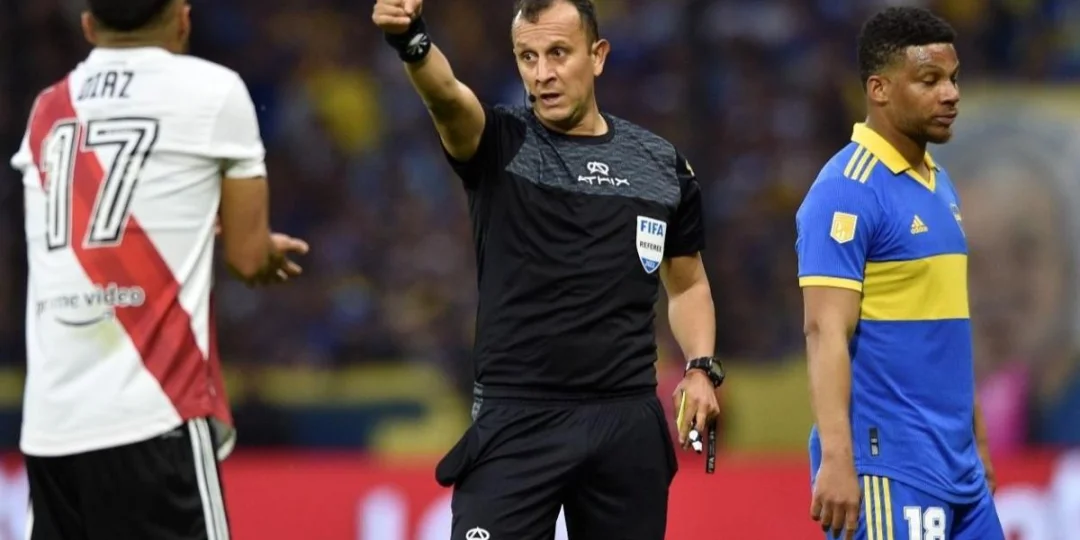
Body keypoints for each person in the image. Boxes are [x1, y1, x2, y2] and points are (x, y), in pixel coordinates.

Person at [372, 0, 721, 538]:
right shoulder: (498, 142)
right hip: (518, 419)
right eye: (527, 57)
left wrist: (699, 367)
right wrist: (412, 40)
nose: (542, 73)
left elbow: (688, 283)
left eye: (558, 53)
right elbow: (446, 97)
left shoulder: (661, 166)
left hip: (624, 421)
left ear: (597, 56)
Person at [7, 0, 308, 538]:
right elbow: (247, 258)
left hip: (52, 432)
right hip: (154, 415)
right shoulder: (213, 91)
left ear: (89, 25)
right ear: (182, 18)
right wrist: (261, 252)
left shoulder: (48, 109)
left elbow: (89, 230)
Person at [794, 7, 1004, 540]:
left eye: (953, 78)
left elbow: (947, 329)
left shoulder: (939, 183)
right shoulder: (846, 191)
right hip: (888, 468)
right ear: (879, 89)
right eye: (929, 80)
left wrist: (978, 441)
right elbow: (823, 331)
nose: (951, 94)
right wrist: (836, 459)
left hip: (960, 471)